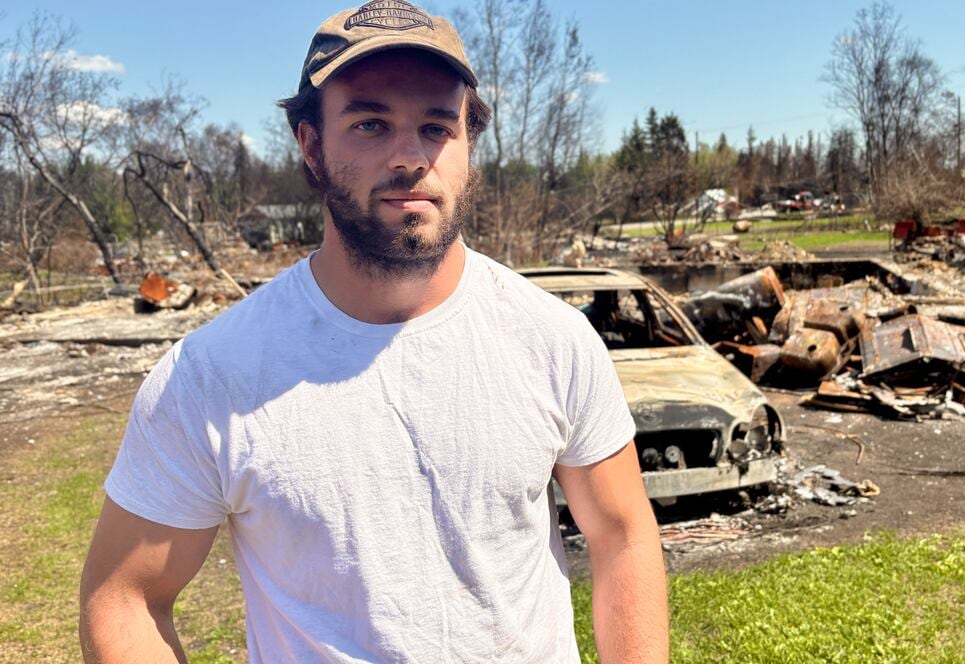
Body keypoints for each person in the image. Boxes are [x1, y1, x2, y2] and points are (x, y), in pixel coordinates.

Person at [78, 2, 668, 662]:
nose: (410, 157)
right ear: (311, 144)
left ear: (468, 143)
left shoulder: (554, 341)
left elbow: (621, 538)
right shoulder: (212, 376)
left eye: (437, 126)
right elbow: (125, 598)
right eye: (369, 123)